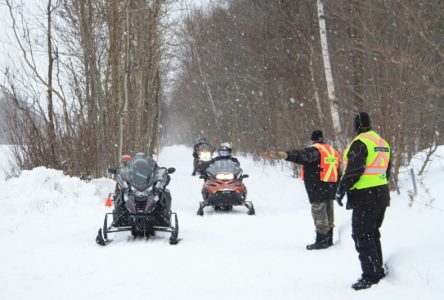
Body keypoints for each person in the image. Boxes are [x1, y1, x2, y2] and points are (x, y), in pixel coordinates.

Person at [335, 112, 391, 290]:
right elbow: (387, 171)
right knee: (372, 233)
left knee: (362, 234)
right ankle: (377, 268)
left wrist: (341, 189)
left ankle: (371, 275)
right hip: (381, 194)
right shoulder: (382, 143)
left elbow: (354, 170)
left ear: (356, 126)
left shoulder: (360, 143)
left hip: (365, 197)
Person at [273, 130, 340, 250]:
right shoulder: (332, 151)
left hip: (318, 186)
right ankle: (329, 239)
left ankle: (322, 241)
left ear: (313, 140)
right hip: (330, 187)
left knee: (319, 213)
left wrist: (287, 155)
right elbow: (339, 171)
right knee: (329, 213)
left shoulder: (316, 150)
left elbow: (302, 155)